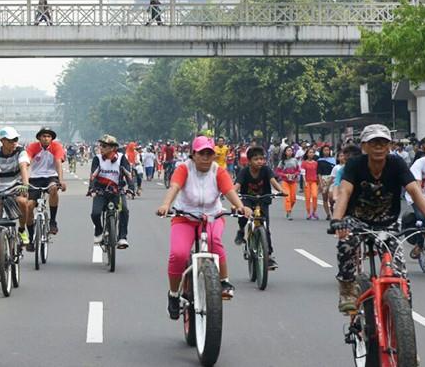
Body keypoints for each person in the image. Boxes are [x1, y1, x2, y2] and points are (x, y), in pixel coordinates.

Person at [331, 124, 425, 314]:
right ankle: (347, 289)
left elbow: (414, 190)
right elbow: (344, 192)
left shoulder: (397, 164)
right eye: (373, 143)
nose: (379, 147)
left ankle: (400, 310)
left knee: (397, 273)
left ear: (389, 146)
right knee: (346, 243)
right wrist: (337, 220)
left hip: (388, 223)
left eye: (383, 142)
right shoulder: (355, 164)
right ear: (364, 146)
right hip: (357, 221)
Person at [157, 136, 251, 318]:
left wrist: (240, 206)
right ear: (193, 154)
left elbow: (229, 191)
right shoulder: (184, 168)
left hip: (212, 216)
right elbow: (174, 187)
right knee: (179, 254)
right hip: (184, 217)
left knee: (215, 241)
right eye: (202, 153)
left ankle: (224, 282)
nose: (206, 157)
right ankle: (174, 294)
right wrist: (166, 205)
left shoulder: (219, 171)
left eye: (210, 153)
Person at [232, 146, 285, 269]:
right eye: (256, 159)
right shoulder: (244, 171)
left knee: (265, 227)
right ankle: (241, 230)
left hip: (263, 199)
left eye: (262, 159)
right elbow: (236, 186)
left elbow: (273, 182)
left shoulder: (266, 170)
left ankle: (268, 255)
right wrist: (233, 196)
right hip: (247, 198)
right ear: (249, 161)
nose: (260, 161)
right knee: (244, 215)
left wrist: (281, 190)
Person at [88, 134, 135, 248]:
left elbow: (128, 174)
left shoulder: (121, 158)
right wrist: (92, 189)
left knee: (123, 209)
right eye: (101, 146)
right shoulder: (97, 159)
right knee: (95, 214)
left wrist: (131, 188)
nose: (101, 148)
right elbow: (93, 176)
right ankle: (99, 231)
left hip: (117, 191)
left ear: (112, 148)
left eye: (104, 146)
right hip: (101, 191)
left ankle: (122, 237)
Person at [0, 126, 31, 245]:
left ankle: (22, 230)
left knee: (23, 202)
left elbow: (23, 166)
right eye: (10, 140)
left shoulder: (20, 151)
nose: (14, 143)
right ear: (2, 141)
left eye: (15, 140)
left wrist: (26, 184)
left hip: (14, 187)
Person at [26, 127, 66, 242]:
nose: (46, 138)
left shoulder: (57, 147)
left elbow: (58, 163)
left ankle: (53, 221)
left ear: (52, 138)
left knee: (53, 189)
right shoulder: (32, 147)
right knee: (29, 206)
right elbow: (27, 162)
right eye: (44, 136)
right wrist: (24, 179)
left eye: (49, 136)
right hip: (35, 177)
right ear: (39, 138)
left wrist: (61, 180)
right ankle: (31, 236)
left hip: (51, 176)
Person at [407, 138, 425, 259]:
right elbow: (417, 186)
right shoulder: (419, 164)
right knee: (422, 219)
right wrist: (423, 199)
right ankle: (419, 245)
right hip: (417, 195)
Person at [317, 144, 336, 220]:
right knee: (325, 198)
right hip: (324, 179)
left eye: (328, 150)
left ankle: (333, 211)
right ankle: (328, 214)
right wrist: (321, 182)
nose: (326, 152)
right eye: (325, 150)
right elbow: (319, 173)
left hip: (332, 179)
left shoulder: (333, 160)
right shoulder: (319, 160)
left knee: (332, 198)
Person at [301, 148, 319, 220]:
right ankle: (309, 213)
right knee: (308, 198)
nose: (311, 154)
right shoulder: (304, 163)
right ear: (307, 154)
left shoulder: (316, 163)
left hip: (314, 182)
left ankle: (314, 212)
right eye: (310, 152)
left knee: (314, 196)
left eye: (312, 152)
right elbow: (303, 173)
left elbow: (318, 173)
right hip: (307, 182)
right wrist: (305, 182)